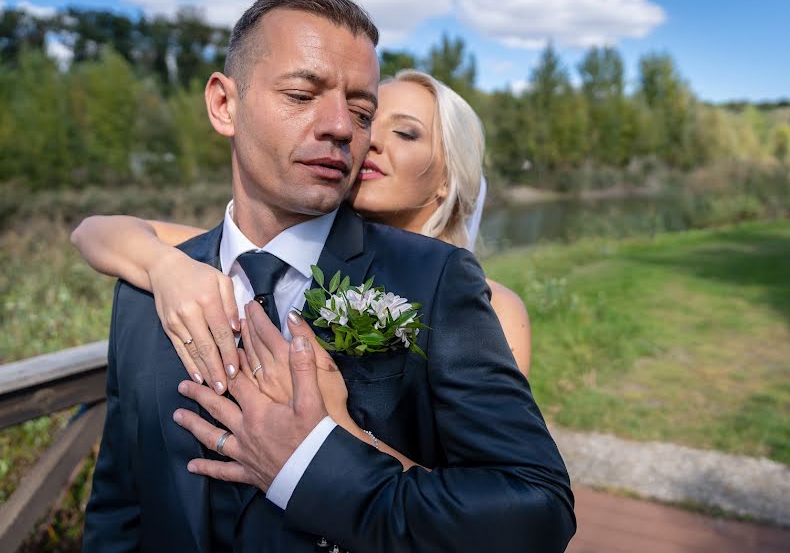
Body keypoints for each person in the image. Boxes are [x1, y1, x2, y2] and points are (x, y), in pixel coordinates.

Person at [79, 0, 575, 553]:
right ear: (224, 105)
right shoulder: (149, 286)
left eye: (362, 112)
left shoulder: (438, 282)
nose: (344, 128)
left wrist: (313, 459)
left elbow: (535, 513)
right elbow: (119, 507)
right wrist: (161, 266)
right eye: (300, 94)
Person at [72, 71, 531, 384]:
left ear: (449, 176)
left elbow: (486, 491)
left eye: (406, 133)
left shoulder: (491, 309)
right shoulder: (290, 255)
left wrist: (330, 435)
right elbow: (95, 231)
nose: (367, 142)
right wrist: (164, 267)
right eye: (365, 120)